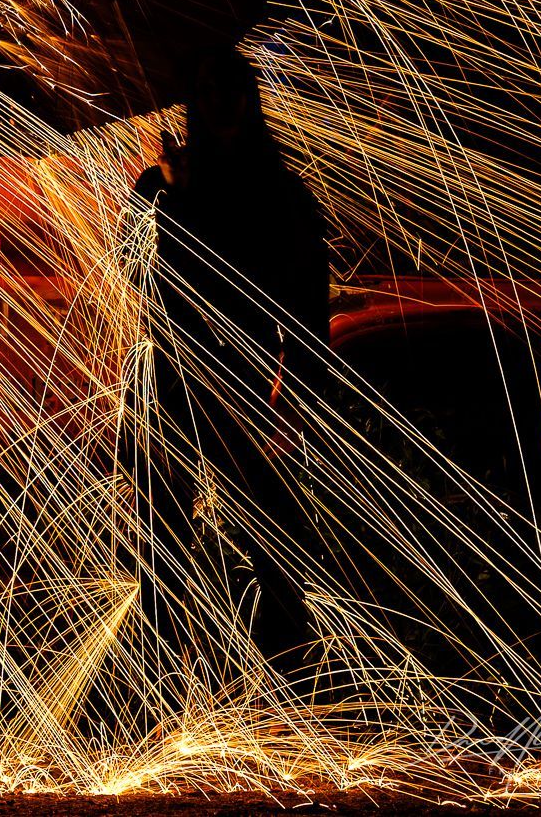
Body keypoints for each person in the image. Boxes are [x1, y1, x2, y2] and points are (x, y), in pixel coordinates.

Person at [125, 47, 329, 667]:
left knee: (274, 530)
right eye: (211, 91)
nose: (225, 105)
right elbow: (140, 276)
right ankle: (158, 681)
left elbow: (304, 297)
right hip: (170, 371)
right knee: (160, 535)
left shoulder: (278, 190)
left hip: (243, 379)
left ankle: (290, 671)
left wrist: (295, 393)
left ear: (252, 99)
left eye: (236, 90)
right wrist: (167, 197)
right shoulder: (165, 184)